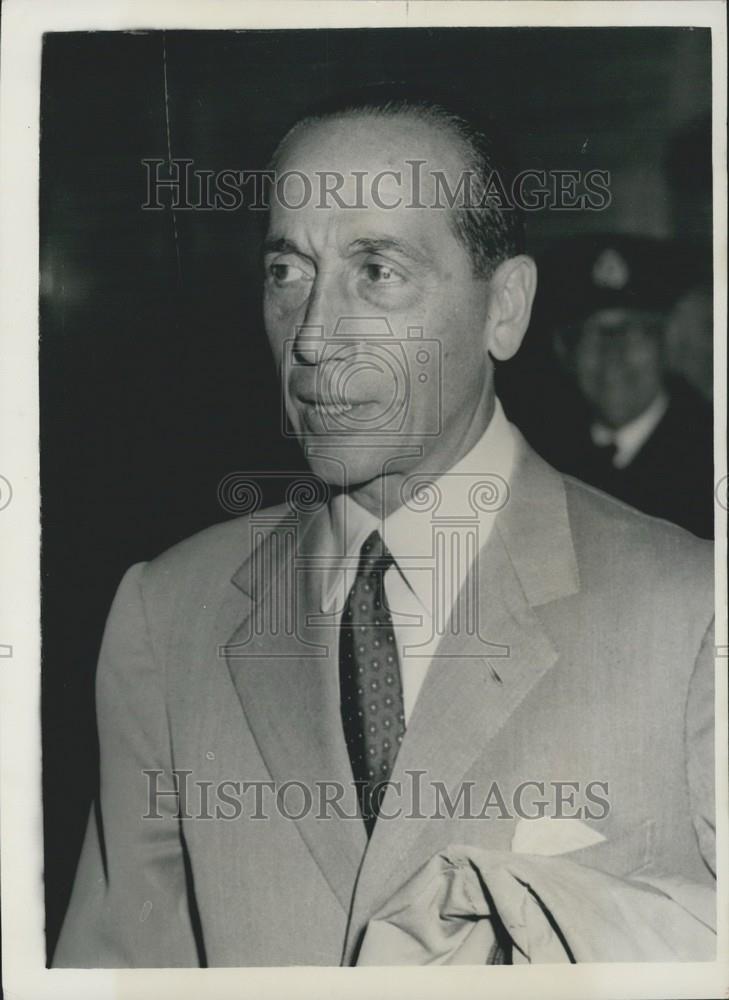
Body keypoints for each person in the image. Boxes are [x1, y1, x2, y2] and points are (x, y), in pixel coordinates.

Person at [53, 88, 715, 967]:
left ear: (504, 309)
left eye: (377, 271)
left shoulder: (690, 614)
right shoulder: (166, 613)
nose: (315, 336)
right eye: (287, 271)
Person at [539, 234, 714, 539]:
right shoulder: (544, 458)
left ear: (665, 344)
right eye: (593, 334)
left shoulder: (711, 456)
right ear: (564, 353)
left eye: (631, 332)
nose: (613, 356)